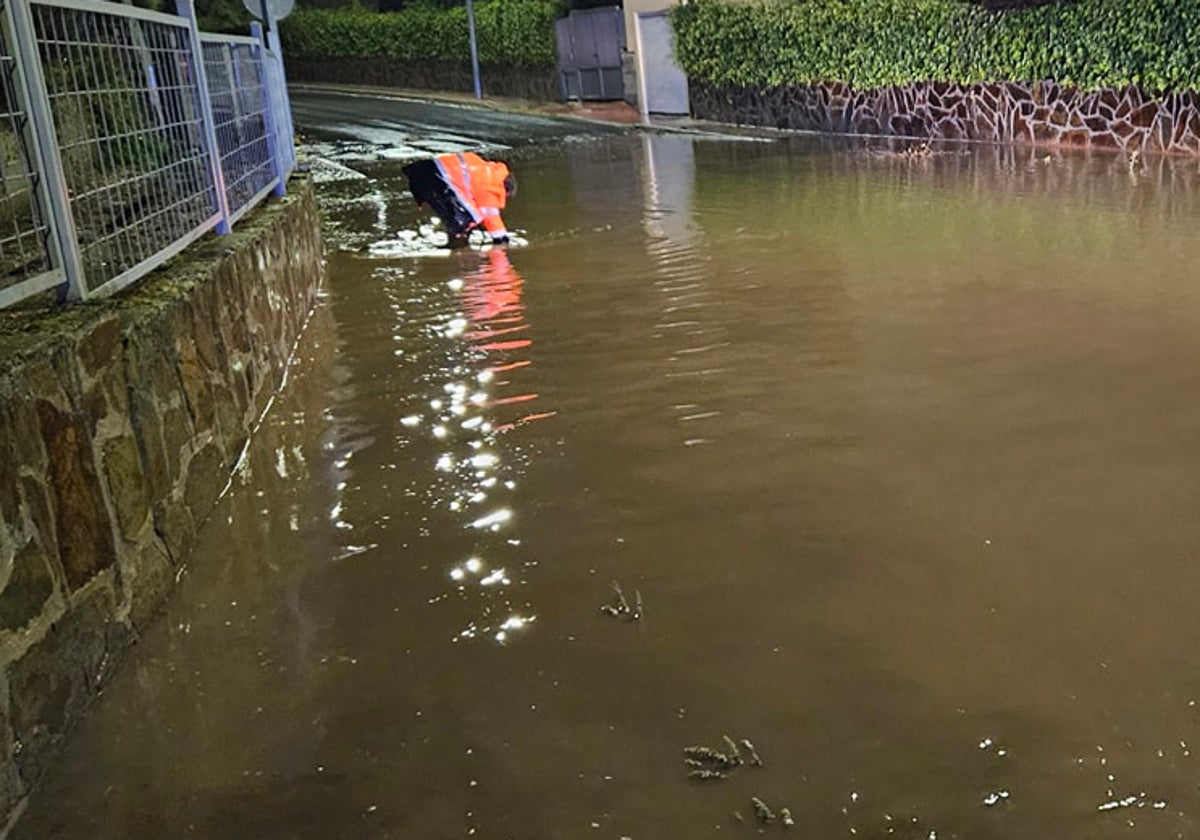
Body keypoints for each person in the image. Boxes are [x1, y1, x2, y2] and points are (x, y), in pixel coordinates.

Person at [402, 152, 516, 246]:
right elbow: (491, 217)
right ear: (505, 189)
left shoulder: (484, 169)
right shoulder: (492, 184)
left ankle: (453, 245)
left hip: (422, 171)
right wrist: (502, 242)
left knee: (462, 218)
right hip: (436, 176)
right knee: (465, 222)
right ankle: (459, 254)